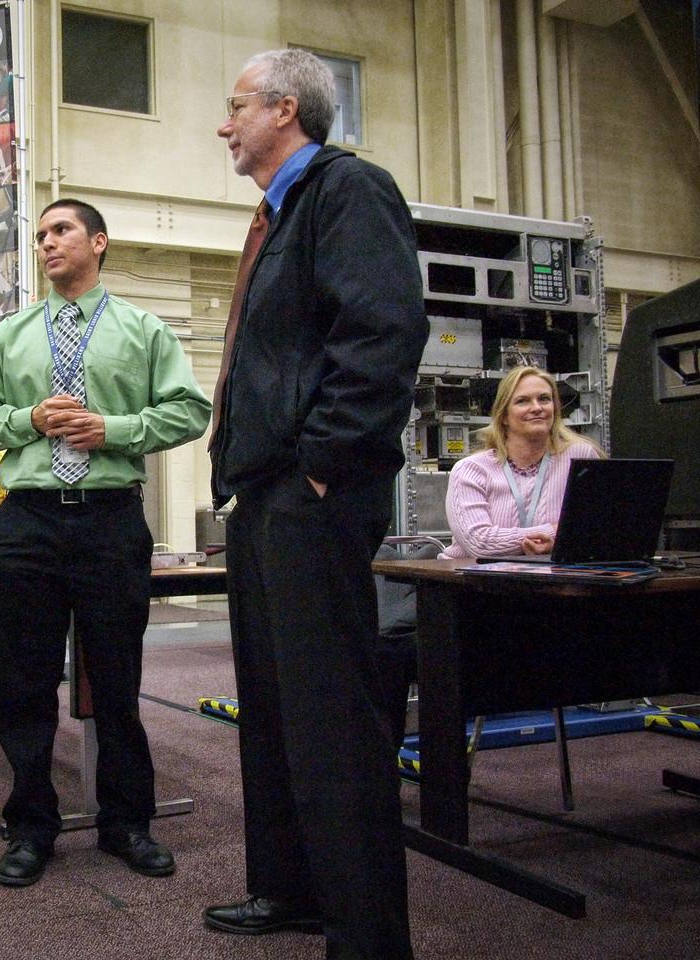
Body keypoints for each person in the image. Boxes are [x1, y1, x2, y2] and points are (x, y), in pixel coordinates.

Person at [206, 50, 428, 960]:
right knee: (273, 706)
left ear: (285, 109)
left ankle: (368, 935)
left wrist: (325, 466)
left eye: (236, 107)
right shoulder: (281, 214)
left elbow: (383, 331)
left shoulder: (347, 190)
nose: (224, 125)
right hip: (266, 494)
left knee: (333, 715)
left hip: (311, 493)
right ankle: (291, 890)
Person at [0, 198, 210, 888]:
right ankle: (30, 826)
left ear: (99, 242)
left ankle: (127, 823)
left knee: (118, 680)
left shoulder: (144, 331)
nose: (46, 243)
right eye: (39, 235)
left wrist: (115, 431)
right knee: (25, 683)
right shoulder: (8, 337)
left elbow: (190, 409)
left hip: (108, 521)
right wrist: (29, 416)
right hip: (30, 521)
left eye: (61, 230)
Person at [443, 365, 604, 559]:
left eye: (544, 399)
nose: (536, 408)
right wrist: (557, 531)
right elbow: (480, 545)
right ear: (503, 416)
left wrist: (556, 544)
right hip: (474, 583)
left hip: (553, 580)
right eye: (522, 401)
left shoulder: (581, 457)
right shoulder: (471, 470)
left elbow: (599, 529)